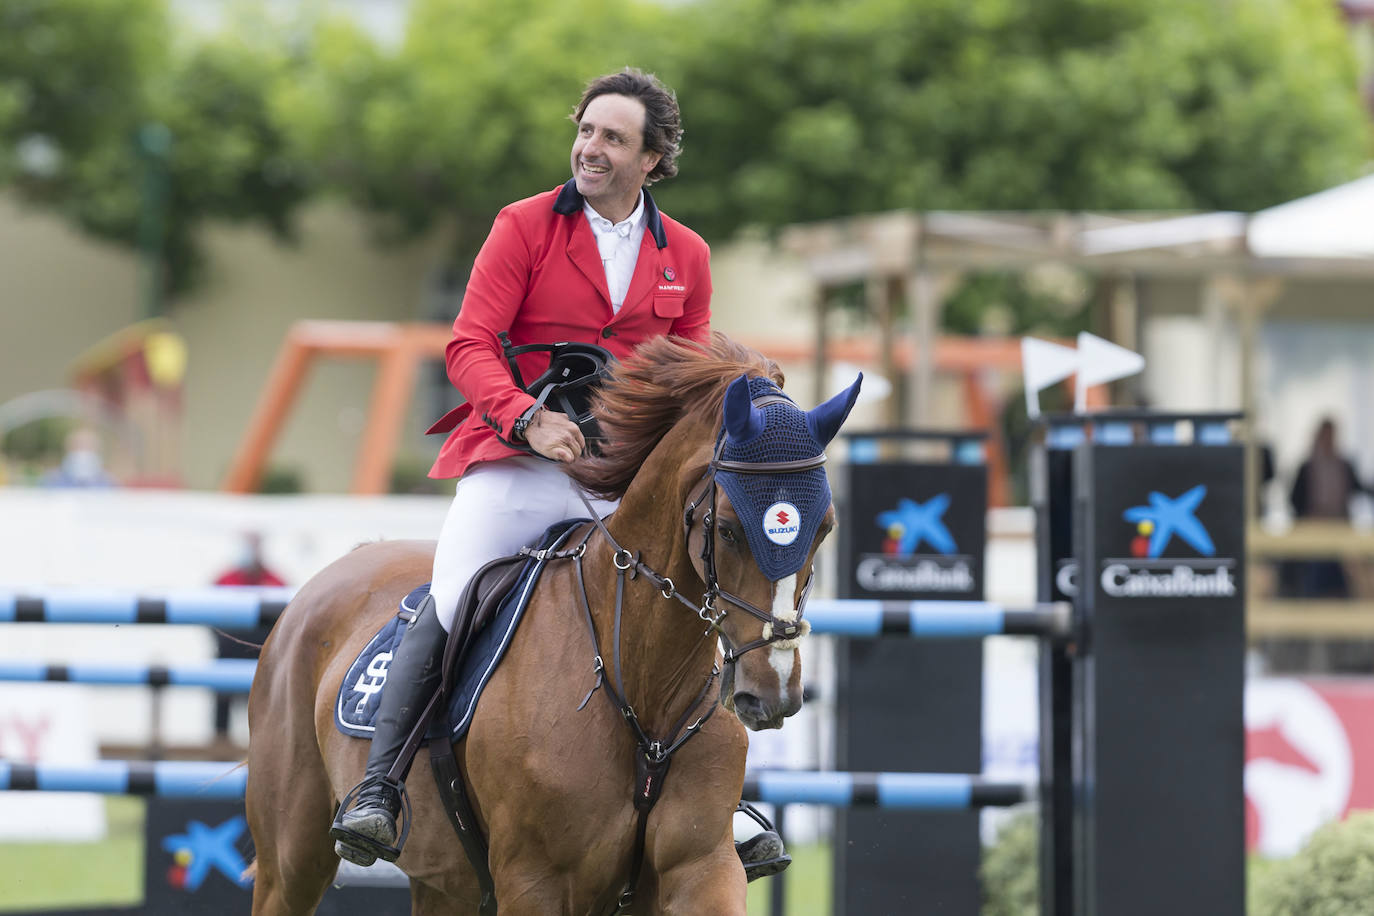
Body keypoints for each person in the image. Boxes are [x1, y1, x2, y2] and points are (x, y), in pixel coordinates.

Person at [331, 68, 787, 878]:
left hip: (622, 477)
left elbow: (690, 374)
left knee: (692, 590)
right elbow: (468, 343)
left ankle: (722, 796)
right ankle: (382, 784)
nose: (590, 148)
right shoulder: (524, 225)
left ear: (653, 160)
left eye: (613, 138)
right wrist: (525, 419)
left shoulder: (686, 253)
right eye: (585, 131)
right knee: (454, 589)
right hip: (518, 460)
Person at [212, 533, 285, 743]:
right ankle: (220, 745)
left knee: (263, 705)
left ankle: (263, 744)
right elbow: (211, 618)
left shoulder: (275, 580)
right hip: (227, 651)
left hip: (260, 653)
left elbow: (285, 621)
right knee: (223, 701)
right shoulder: (226, 579)